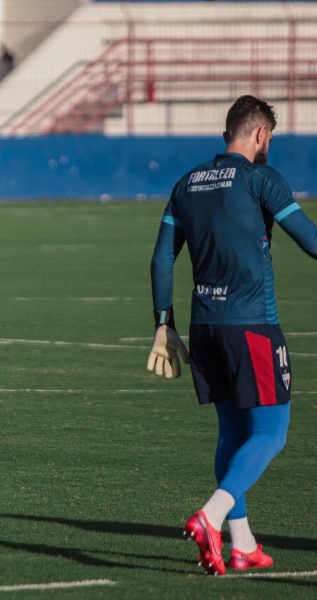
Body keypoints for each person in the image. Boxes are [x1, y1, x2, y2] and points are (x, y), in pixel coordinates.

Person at [148, 95, 317, 576]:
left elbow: (162, 259)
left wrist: (163, 324)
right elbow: (312, 242)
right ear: (261, 134)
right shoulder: (260, 178)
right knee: (271, 432)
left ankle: (241, 543)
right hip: (253, 326)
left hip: (204, 328)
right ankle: (212, 515)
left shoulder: (187, 183)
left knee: (233, 431)